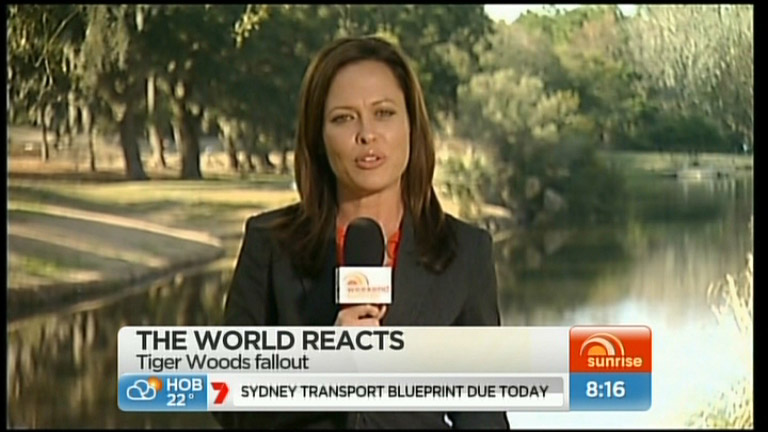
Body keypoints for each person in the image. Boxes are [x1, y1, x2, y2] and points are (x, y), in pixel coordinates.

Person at [214, 36, 508, 430]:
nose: (367, 134)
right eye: (343, 118)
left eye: (384, 113)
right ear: (318, 137)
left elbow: (483, 414)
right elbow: (228, 401)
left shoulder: (466, 252)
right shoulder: (269, 243)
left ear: (412, 127)